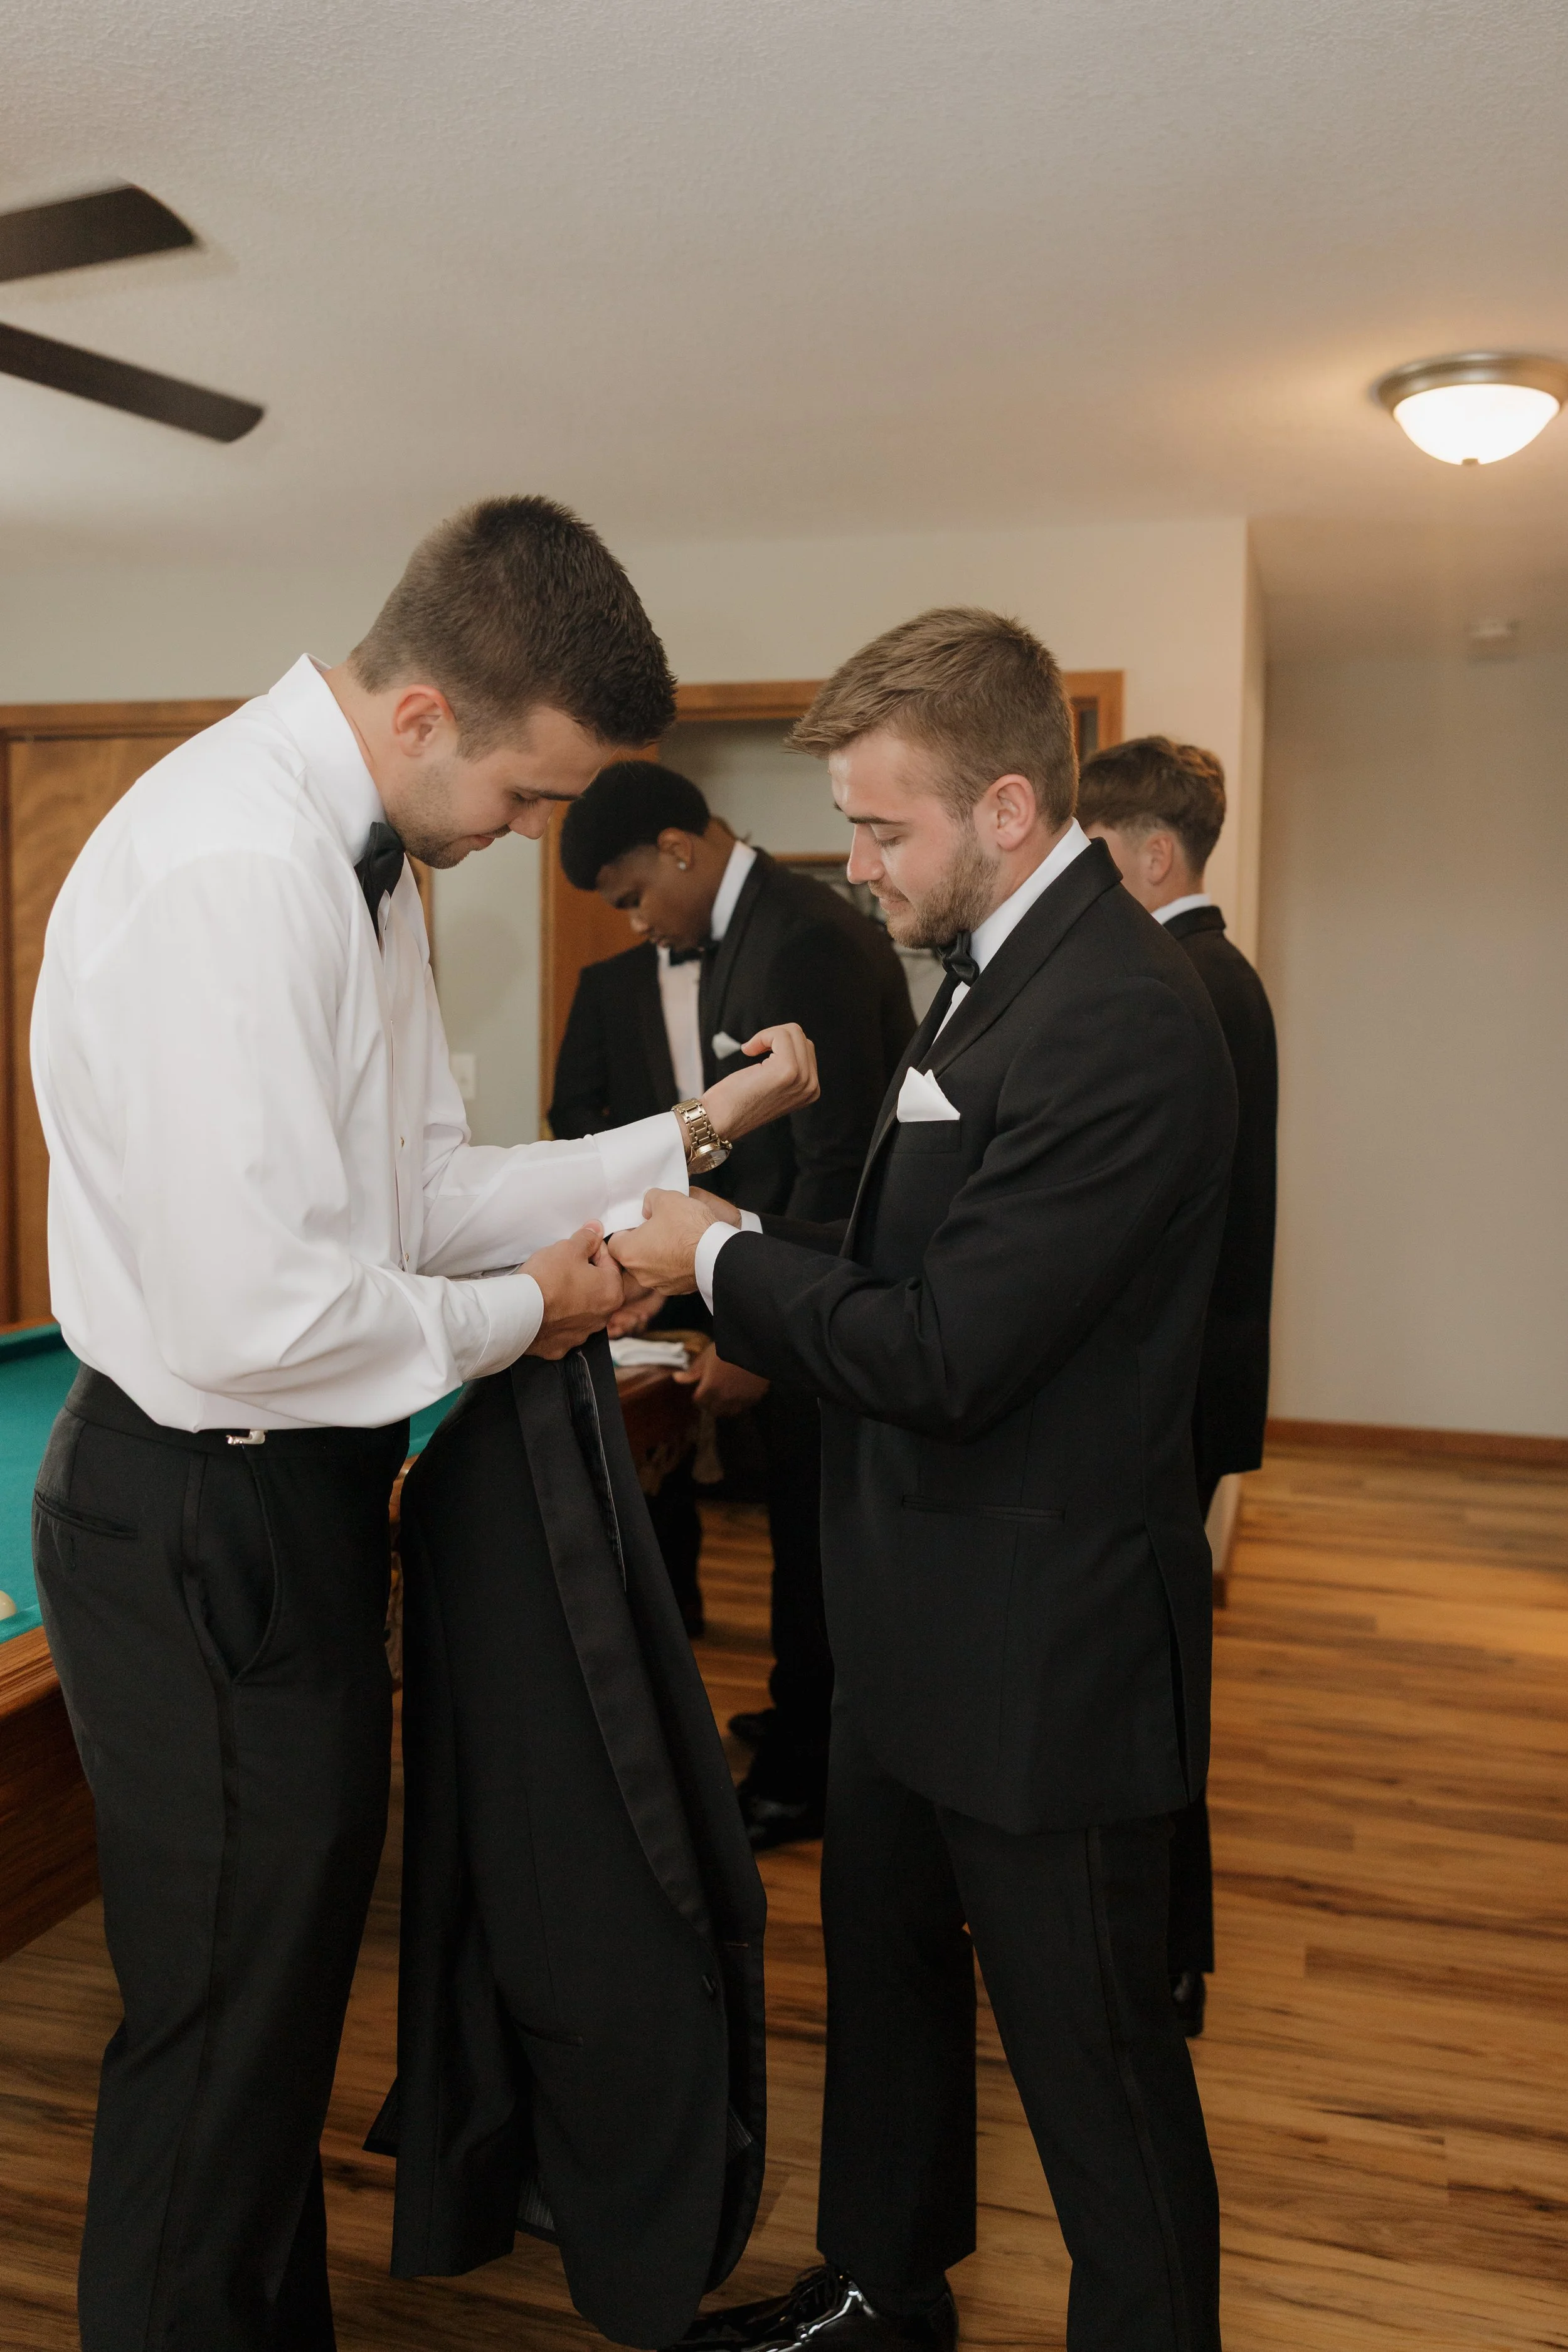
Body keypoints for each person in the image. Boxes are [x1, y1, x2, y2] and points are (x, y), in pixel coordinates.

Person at [28, 495, 814, 2352]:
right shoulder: (242, 869)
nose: (540, 842)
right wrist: (541, 1303)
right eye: (532, 799)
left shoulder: (359, 854)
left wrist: (678, 1153)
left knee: (278, 2018)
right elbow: (266, 1310)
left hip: (287, 1498)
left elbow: (418, 1188)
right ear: (421, 718)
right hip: (205, 1510)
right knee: (219, 2042)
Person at [613, 608, 1235, 2352]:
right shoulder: (985, 974)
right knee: (886, 1997)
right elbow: (906, 1254)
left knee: (1096, 2076)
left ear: (1011, 808)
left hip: (1047, 1653)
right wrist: (747, 1239)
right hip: (911, 1621)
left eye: (884, 829)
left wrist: (730, 1259)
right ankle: (884, 2290)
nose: (855, 862)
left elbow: (954, 1346)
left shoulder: (1120, 1014)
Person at [552, 761, 914, 1845]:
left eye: (630, 896)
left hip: (818, 1288)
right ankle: (801, 1715)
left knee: (817, 1547)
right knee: (801, 1536)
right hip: (766, 1270)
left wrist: (758, 1327)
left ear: (678, 849)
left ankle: (812, 1770)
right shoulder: (743, 925)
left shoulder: (803, 936)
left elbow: (841, 1165)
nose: (635, 921)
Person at [1078, 734, 1278, 2041]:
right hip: (1194, 1383)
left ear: (1153, 855)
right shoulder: (1216, 974)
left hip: (1160, 1395)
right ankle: (1161, 1942)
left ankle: (1155, 1951)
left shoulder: (1179, 983)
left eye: (1094, 858)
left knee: (1145, 1691)